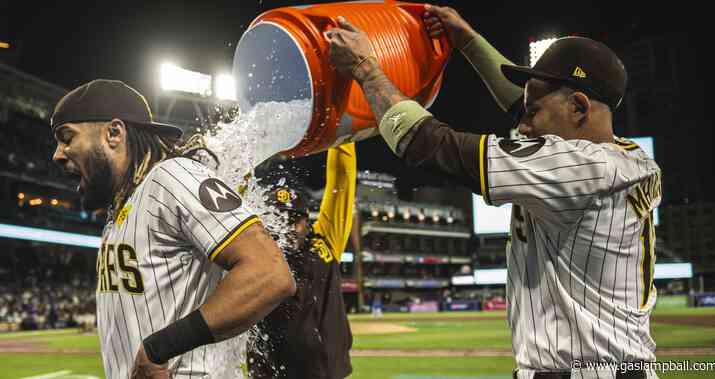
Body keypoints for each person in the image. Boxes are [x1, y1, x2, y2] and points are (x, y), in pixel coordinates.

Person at [326, 6, 661, 379]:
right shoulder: (628, 159)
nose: (522, 123)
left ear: (578, 107)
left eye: (532, 112)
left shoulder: (581, 169)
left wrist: (366, 70)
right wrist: (467, 40)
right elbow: (523, 104)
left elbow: (430, 145)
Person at [50, 79, 296, 379]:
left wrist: (160, 348)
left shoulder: (172, 177)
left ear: (114, 133)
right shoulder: (120, 212)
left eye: (67, 137)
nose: (58, 154)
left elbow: (269, 273)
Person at [246, 143, 356, 379]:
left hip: (329, 374)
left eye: (296, 219)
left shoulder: (326, 241)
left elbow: (342, 180)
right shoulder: (256, 254)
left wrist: (345, 135)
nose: (291, 227)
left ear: (307, 219)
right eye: (282, 218)